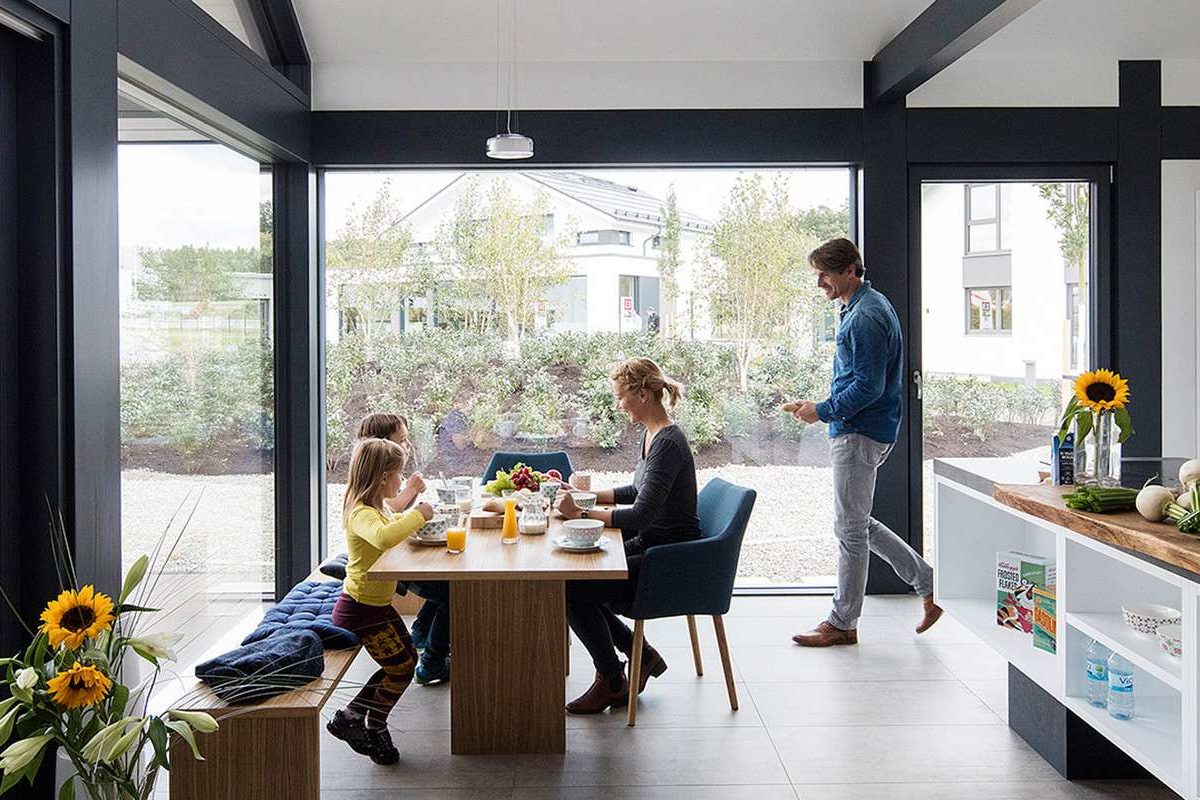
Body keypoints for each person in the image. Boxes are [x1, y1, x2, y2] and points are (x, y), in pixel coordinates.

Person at [788, 238, 941, 647]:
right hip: (864, 429)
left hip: (859, 432)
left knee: (850, 530)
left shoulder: (865, 317)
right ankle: (929, 585)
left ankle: (842, 622)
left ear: (851, 270)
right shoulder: (864, 307)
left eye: (826, 274)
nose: (820, 282)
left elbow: (868, 387)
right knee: (856, 523)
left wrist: (820, 410)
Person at [556, 357, 700, 713]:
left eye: (621, 396)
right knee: (576, 580)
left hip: (666, 559)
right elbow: (637, 490)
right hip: (652, 546)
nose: (618, 404)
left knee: (570, 589)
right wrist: (585, 497)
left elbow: (640, 514)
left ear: (641, 394)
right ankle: (642, 655)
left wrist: (583, 514)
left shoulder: (667, 442)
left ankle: (613, 679)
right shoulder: (653, 435)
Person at [327, 438, 434, 763]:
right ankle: (355, 718)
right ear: (383, 476)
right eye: (399, 475)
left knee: (403, 663)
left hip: (375, 605)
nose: (402, 481)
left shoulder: (378, 509)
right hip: (360, 609)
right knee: (401, 667)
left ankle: (370, 721)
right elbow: (384, 537)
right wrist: (418, 515)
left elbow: (390, 535)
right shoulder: (361, 513)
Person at [355, 413, 451, 685]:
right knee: (453, 590)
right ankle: (433, 660)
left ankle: (422, 633)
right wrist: (411, 495)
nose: (407, 447)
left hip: (395, 559)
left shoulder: (374, 482)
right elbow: (385, 521)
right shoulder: (365, 497)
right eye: (402, 441)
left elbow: (389, 514)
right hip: (385, 567)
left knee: (446, 580)